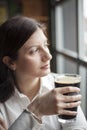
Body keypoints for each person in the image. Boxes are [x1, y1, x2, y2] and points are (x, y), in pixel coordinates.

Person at [0, 15, 87, 130]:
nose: (48, 56)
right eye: (34, 51)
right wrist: (36, 109)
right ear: (10, 62)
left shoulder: (62, 85)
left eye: (45, 45)